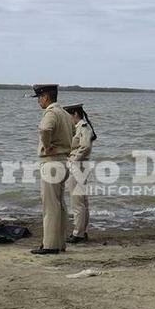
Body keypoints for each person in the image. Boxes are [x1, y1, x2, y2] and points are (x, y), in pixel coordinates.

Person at [31, 84, 73, 255]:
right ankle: (60, 243)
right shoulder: (64, 113)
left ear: (46, 97)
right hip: (64, 161)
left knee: (50, 205)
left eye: (39, 98)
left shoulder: (50, 112)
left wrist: (47, 145)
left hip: (52, 162)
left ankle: (50, 245)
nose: (38, 101)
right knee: (60, 204)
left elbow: (45, 129)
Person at [63, 104, 97, 243]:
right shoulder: (80, 127)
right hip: (80, 165)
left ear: (75, 114)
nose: (68, 120)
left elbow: (85, 146)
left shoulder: (83, 127)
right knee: (82, 201)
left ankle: (78, 234)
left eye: (69, 116)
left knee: (78, 201)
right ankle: (82, 231)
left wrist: (73, 160)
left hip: (78, 166)